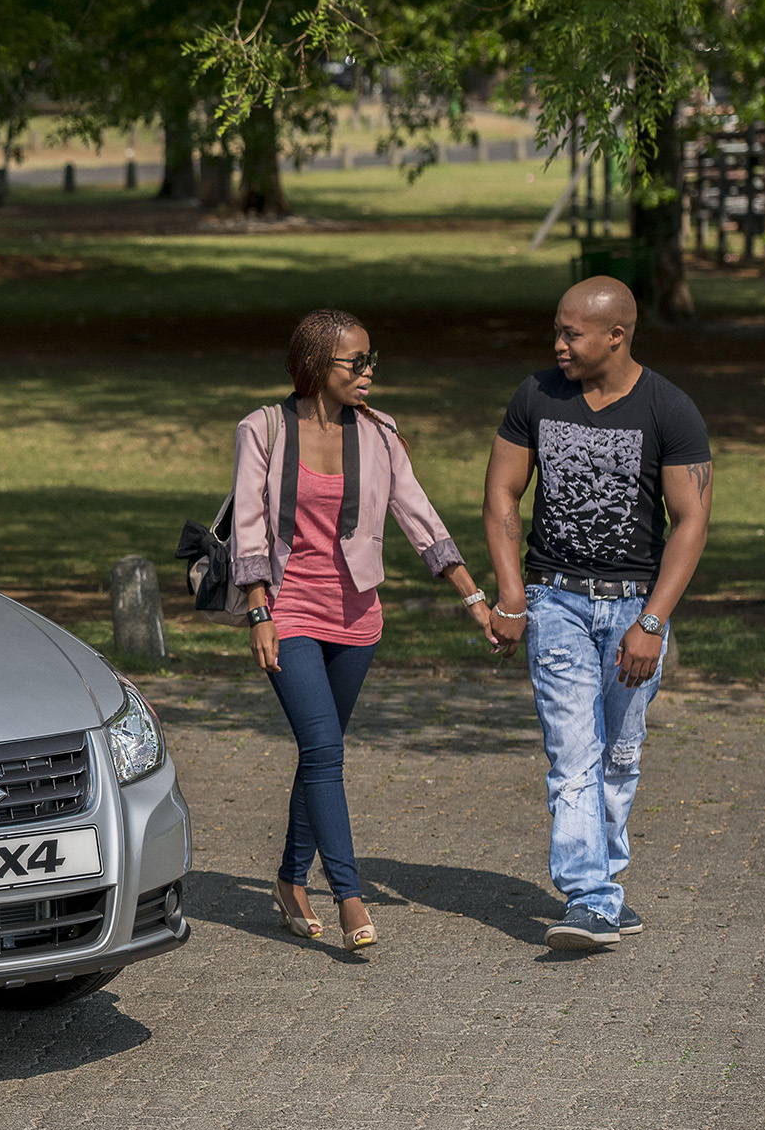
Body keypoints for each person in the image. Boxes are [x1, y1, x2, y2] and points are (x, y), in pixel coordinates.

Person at [234, 310, 496, 951]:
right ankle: (348, 895)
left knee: (317, 754)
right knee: (325, 752)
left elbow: (420, 516)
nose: (370, 372)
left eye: (373, 359)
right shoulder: (263, 429)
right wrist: (260, 613)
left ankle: (290, 881)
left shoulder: (380, 434)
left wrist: (475, 599)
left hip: (357, 619)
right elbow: (246, 523)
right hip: (290, 609)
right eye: (358, 362)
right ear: (319, 366)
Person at [483, 276, 711, 952]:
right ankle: (587, 897)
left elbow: (691, 522)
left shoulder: (669, 409)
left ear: (617, 335)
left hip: (634, 607)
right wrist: (511, 596)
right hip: (555, 600)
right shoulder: (536, 396)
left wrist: (653, 622)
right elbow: (501, 496)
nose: (558, 344)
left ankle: (607, 881)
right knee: (573, 752)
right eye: (557, 330)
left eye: (572, 333)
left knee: (620, 753)